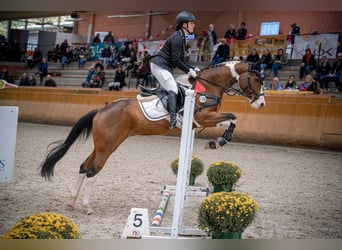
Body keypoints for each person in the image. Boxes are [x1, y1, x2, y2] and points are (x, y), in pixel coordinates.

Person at [150, 11, 198, 129]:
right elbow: (176, 60)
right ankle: (173, 119)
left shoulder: (182, 37)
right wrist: (188, 71)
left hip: (164, 66)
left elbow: (180, 60)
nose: (194, 25)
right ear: (184, 25)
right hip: (160, 66)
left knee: (178, 86)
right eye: (192, 23)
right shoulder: (177, 37)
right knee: (173, 88)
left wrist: (192, 68)